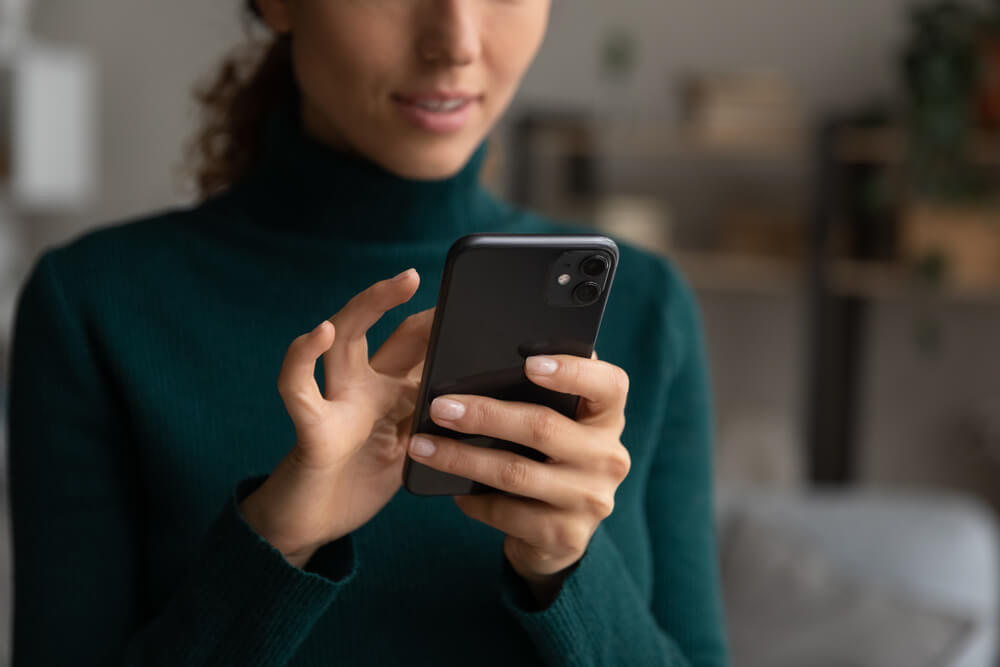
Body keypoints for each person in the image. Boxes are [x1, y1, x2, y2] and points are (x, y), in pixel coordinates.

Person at [5, 1, 729, 665]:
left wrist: (569, 566)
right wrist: (276, 541)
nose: (457, 42)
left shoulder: (645, 307)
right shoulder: (95, 306)